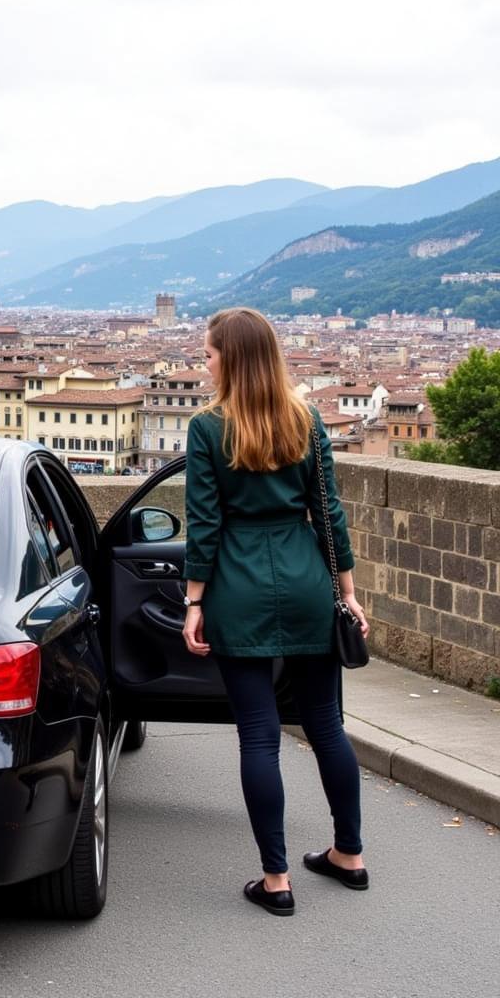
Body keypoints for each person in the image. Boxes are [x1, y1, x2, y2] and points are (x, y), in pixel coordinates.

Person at [182, 307, 370, 917]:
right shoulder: (307, 418)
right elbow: (328, 513)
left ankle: (277, 879)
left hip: (238, 585)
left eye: (208, 353)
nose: (203, 362)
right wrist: (346, 593)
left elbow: (205, 528)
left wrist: (193, 602)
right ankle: (349, 855)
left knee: (260, 737)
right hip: (307, 578)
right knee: (325, 725)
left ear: (230, 359)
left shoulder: (208, 428)